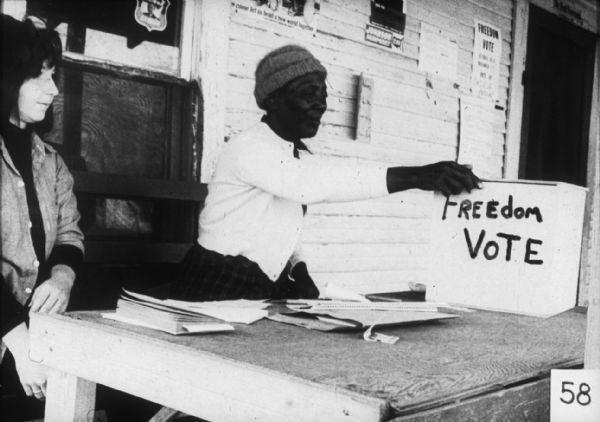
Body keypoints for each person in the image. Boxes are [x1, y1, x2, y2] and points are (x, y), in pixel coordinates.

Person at [170, 44, 481, 302]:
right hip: (219, 278)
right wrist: (417, 177)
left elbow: (283, 223)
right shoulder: (250, 146)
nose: (320, 105)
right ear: (273, 100)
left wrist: (299, 268)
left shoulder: (294, 154)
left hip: (259, 282)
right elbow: (307, 187)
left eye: (323, 95)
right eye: (309, 94)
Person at [0, 14, 84, 417]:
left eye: (54, 76)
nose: (53, 90)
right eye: (39, 76)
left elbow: (70, 232)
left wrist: (62, 278)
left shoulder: (50, 163)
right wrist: (18, 343)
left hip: (37, 335)